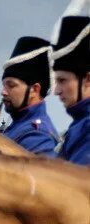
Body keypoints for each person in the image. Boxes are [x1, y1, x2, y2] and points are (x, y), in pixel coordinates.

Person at [0, 37, 60, 157]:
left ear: (34, 89)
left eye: (11, 85)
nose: (3, 92)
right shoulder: (17, 126)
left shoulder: (37, 135)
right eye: (4, 85)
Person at [52, 15, 90, 166]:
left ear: (87, 79)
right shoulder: (80, 124)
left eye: (62, 80)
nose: (56, 91)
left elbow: (76, 187)